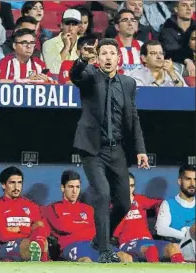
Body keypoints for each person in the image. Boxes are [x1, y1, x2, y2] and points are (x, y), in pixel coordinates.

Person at [69, 38, 149, 263]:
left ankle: (99, 238)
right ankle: (104, 250)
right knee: (103, 194)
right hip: (93, 149)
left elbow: (133, 117)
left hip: (118, 151)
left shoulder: (128, 83)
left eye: (111, 53)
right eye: (103, 53)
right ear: (97, 57)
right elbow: (75, 75)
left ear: (118, 58)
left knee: (124, 201)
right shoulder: (90, 77)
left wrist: (140, 149)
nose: (107, 57)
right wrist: (82, 59)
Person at [44, 170, 133, 263]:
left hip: (96, 244)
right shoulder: (53, 208)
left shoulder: (88, 209)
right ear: (63, 188)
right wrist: (88, 227)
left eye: (77, 187)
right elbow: (63, 227)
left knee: (126, 258)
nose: (74, 191)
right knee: (86, 261)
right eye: (70, 187)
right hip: (74, 245)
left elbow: (102, 228)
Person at [113, 173, 185, 263]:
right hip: (129, 243)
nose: (129, 189)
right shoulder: (113, 205)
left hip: (148, 241)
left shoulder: (139, 199)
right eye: (126, 186)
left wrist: (163, 211)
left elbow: (160, 202)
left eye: (131, 186)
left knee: (174, 247)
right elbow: (113, 232)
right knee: (151, 250)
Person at [0, 166, 49, 262]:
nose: (16, 187)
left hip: (32, 242)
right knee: (31, 244)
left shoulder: (31, 206)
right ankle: (40, 259)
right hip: (7, 246)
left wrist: (18, 229)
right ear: (3, 185)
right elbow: (3, 236)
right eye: (12, 183)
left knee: (40, 233)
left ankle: (40, 259)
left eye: (19, 183)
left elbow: (42, 229)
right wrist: (28, 230)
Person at [156, 164, 196, 262]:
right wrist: (188, 235)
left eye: (195, 179)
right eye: (188, 179)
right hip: (177, 249)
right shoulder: (168, 204)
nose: (192, 183)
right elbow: (160, 230)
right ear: (179, 181)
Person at [42, 9, 81, 74]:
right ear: (61, 25)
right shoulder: (48, 44)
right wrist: (66, 47)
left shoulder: (84, 44)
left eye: (74, 24)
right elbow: (53, 71)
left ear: (79, 27)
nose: (70, 28)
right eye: (67, 24)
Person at [159, 0, 196, 65]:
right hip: (176, 64)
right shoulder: (167, 28)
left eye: (192, 5)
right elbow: (171, 51)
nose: (189, 8)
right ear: (176, 9)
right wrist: (187, 60)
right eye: (184, 5)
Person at [114, 9, 143, 74]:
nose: (130, 23)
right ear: (117, 27)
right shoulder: (110, 47)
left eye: (133, 20)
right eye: (125, 20)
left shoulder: (142, 46)